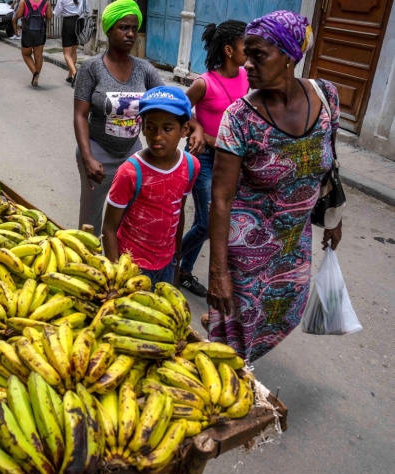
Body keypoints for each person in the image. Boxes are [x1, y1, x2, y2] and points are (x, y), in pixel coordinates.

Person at [206, 11, 343, 362]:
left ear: (289, 56)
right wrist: (218, 273)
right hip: (246, 251)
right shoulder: (239, 118)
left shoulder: (327, 96)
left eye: (258, 55)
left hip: (293, 246)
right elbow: (220, 199)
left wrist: (333, 219)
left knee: (283, 313)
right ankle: (235, 383)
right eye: (246, 54)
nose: (246, 65)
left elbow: (328, 166)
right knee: (237, 337)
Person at [73, 0, 204, 235]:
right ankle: (86, 265)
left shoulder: (145, 69)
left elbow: (171, 102)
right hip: (97, 152)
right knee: (91, 216)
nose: (130, 34)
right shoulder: (91, 68)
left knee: (127, 215)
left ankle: (120, 264)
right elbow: (80, 115)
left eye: (134, 28)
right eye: (123, 27)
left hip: (133, 154)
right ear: (109, 29)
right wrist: (87, 157)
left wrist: (196, 127)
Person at [178, 20, 248, 297]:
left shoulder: (246, 75)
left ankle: (182, 270)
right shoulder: (203, 83)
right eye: (246, 45)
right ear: (229, 50)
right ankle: (170, 263)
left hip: (232, 161)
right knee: (208, 223)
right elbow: (181, 109)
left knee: (219, 222)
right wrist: (199, 131)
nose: (251, 51)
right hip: (205, 158)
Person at [102, 86, 200, 284]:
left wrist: (175, 264)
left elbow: (177, 214)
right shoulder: (130, 172)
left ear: (184, 130)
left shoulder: (190, 166)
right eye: (150, 127)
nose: (157, 136)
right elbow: (109, 228)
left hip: (166, 264)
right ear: (142, 127)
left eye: (167, 128)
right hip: (131, 267)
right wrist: (116, 277)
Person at [15, 0, 51, 87]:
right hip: (40, 32)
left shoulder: (24, 1)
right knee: (38, 55)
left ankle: (35, 72)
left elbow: (18, 15)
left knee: (26, 54)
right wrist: (42, 13)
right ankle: (36, 77)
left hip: (28, 31)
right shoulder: (46, 2)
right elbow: (49, 17)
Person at [53, 0, 87, 86]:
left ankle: (75, 73)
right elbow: (87, 10)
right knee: (73, 52)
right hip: (79, 22)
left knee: (67, 54)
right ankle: (69, 76)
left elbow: (57, 13)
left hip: (68, 23)